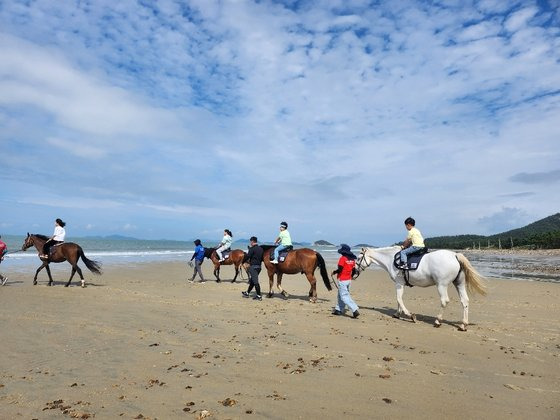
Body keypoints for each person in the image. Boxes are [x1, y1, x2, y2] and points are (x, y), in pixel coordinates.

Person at [331, 244, 359, 318]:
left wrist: (334, 272)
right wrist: (351, 277)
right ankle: (338, 310)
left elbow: (340, 269)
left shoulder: (342, 258)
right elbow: (353, 270)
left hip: (342, 280)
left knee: (344, 296)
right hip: (348, 280)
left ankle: (354, 309)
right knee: (340, 295)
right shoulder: (352, 260)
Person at [241, 236, 264, 300]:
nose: (250, 243)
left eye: (250, 242)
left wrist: (242, 261)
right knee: (252, 281)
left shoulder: (252, 249)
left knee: (255, 282)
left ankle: (259, 296)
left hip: (253, 267)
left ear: (252, 241)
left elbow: (248, 256)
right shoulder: (261, 249)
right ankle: (247, 292)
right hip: (259, 267)